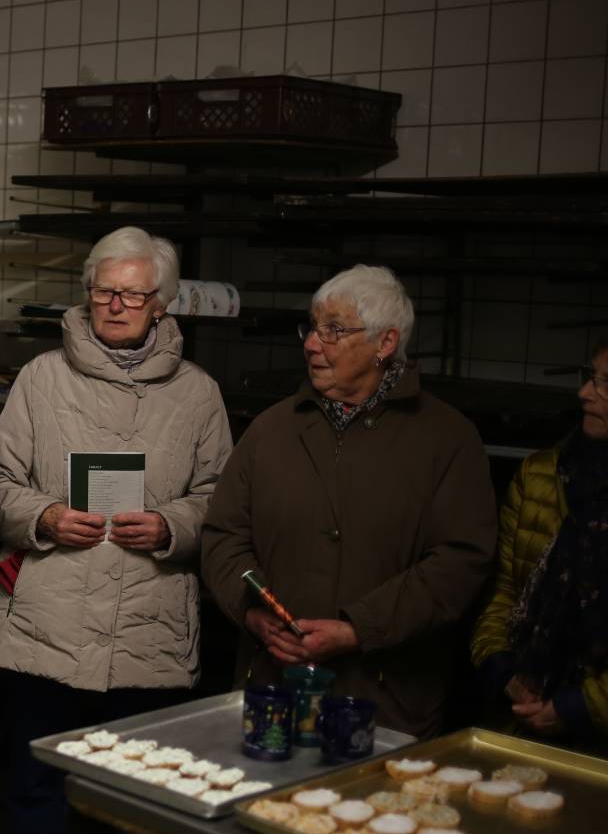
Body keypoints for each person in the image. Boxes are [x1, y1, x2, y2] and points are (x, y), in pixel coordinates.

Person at [0, 227, 232, 834]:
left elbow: (222, 497)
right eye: (104, 290)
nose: (117, 304)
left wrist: (175, 524)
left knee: (140, 798)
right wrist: (45, 517)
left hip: (148, 618)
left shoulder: (198, 393)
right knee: (34, 785)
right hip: (49, 614)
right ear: (87, 294)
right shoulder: (41, 378)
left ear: (162, 303)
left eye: (134, 293)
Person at [201, 264, 495, 737]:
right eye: (312, 328)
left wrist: (361, 629)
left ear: (385, 344)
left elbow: (460, 562)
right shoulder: (271, 430)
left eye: (334, 330)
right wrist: (252, 610)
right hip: (275, 693)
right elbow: (223, 536)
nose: (312, 344)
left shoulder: (447, 439)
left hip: (384, 701)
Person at [472, 318, 608, 757]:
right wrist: (503, 672)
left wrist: (579, 708)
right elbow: (501, 592)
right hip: (515, 728)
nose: (586, 393)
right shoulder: (541, 475)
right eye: (590, 377)